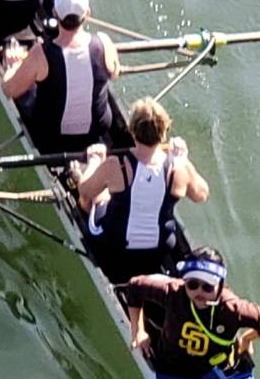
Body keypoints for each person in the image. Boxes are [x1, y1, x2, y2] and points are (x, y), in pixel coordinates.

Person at [74, 97, 209, 283]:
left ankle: (79, 190)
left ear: (131, 131)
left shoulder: (116, 165)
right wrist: (184, 159)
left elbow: (85, 190)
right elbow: (201, 194)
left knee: (98, 194)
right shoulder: (178, 169)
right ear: (164, 133)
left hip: (114, 244)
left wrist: (95, 160)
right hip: (159, 248)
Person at [123, 246, 260, 379]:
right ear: (184, 281)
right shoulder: (173, 292)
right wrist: (139, 331)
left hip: (213, 372)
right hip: (168, 365)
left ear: (220, 286)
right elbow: (134, 287)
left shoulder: (233, 309)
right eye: (192, 285)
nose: (199, 292)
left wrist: (247, 338)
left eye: (208, 287)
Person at [1, 0, 120, 150]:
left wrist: (13, 66)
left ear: (55, 13)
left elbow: (8, 90)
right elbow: (115, 73)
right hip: (96, 131)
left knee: (26, 87)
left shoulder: (41, 54)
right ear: (87, 13)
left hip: (51, 136)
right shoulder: (104, 43)